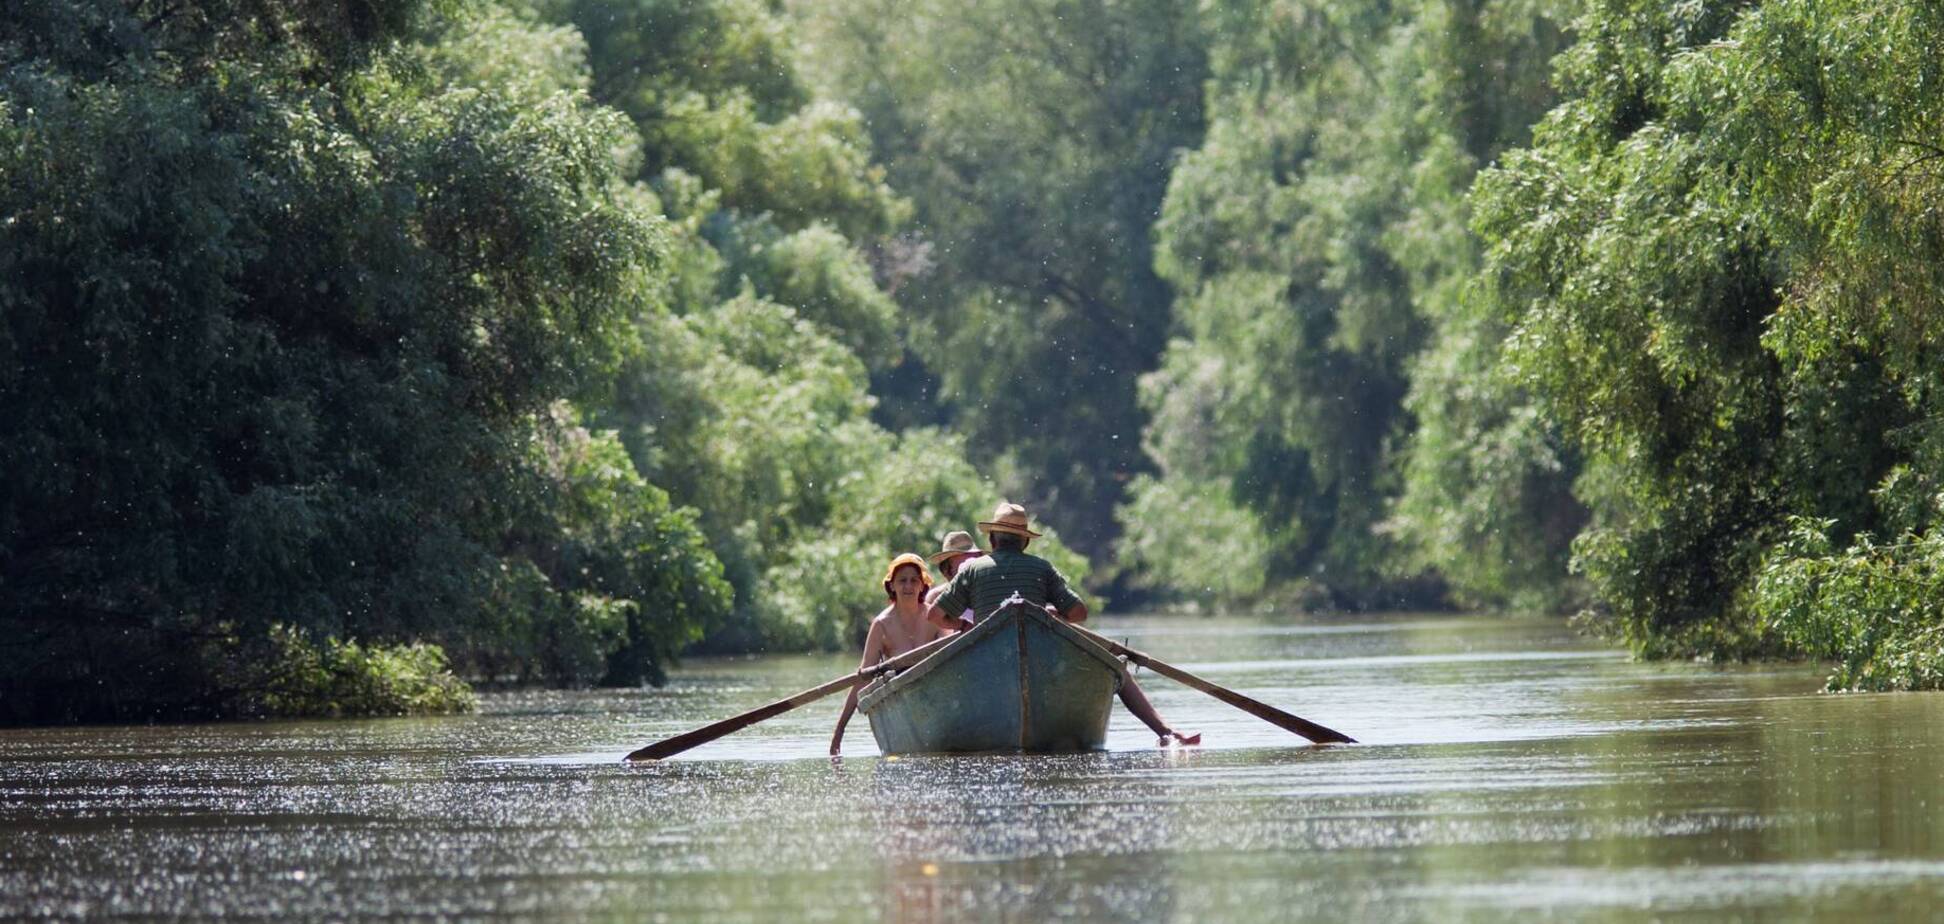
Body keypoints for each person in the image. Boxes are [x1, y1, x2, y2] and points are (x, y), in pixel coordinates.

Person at [926, 502, 1199, 747]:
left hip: (984, 667)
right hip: (1045, 662)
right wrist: (1058, 615)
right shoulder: (1042, 568)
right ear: (1025, 542)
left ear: (993, 539)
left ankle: (1166, 732)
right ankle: (1165, 733)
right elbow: (1079, 611)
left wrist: (963, 626)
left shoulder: (974, 570)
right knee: (1117, 669)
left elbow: (935, 616)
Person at [829, 553, 952, 756]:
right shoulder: (882, 625)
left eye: (914, 580)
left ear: (922, 585)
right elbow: (863, 678)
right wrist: (839, 731)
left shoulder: (934, 617)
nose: (908, 586)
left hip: (933, 696)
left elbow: (950, 655)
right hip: (901, 699)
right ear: (892, 586)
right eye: (902, 581)